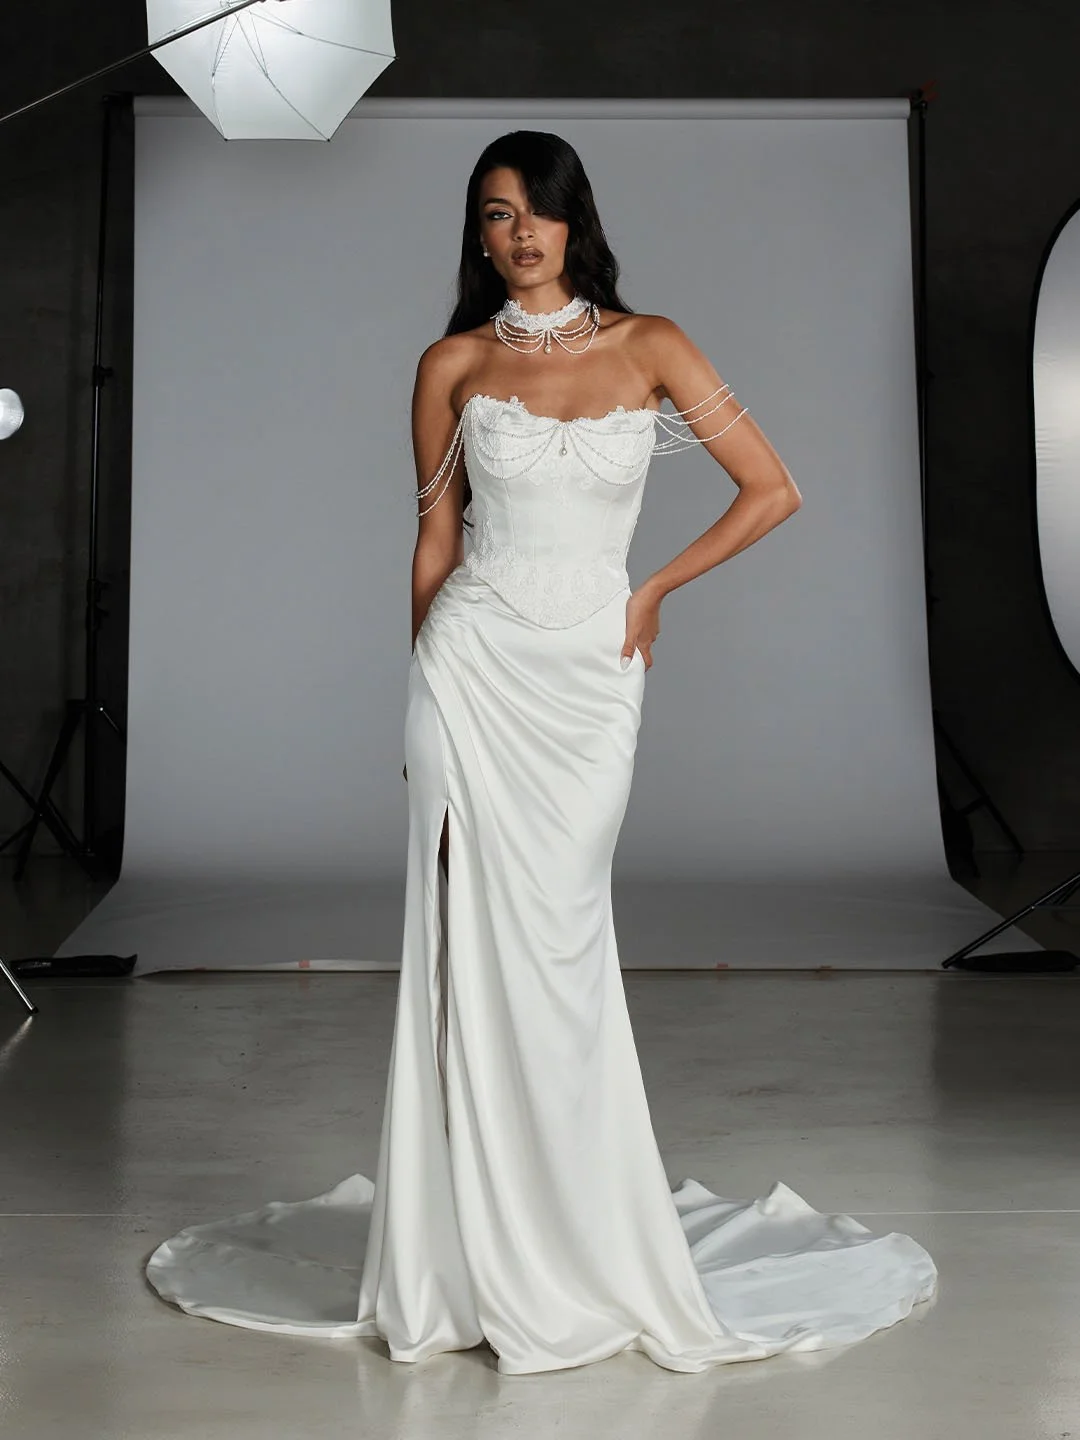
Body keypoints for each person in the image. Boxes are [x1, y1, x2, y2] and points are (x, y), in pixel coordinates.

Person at [145, 130, 937, 1375]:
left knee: (559, 941)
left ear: (575, 222)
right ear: (479, 234)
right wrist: (421, 694)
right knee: (465, 948)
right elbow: (431, 545)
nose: (515, 235)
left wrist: (653, 592)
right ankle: (467, 1247)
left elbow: (770, 489)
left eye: (535, 213)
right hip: (468, 670)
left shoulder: (651, 343)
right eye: (493, 215)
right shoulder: (449, 363)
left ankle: (573, 1233)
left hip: (586, 675)